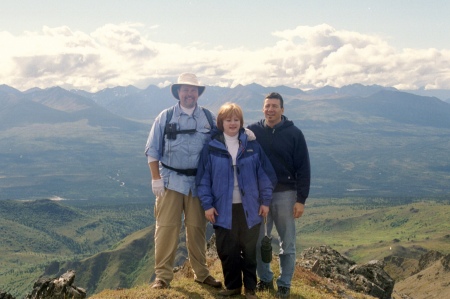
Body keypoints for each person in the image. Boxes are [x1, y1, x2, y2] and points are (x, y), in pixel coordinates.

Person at [144, 73, 222, 289]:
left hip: (198, 183)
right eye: (185, 89)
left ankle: (201, 273)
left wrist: (246, 134)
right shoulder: (165, 117)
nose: (190, 93)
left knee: (197, 229)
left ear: (198, 93)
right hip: (170, 181)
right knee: (166, 228)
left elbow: (227, 134)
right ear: (178, 92)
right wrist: (155, 179)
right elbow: (152, 150)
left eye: (193, 90)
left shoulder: (208, 117)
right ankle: (163, 277)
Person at [196, 103, 277, 299]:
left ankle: (250, 288)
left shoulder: (252, 145)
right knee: (227, 250)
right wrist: (207, 205)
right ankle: (232, 286)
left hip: (250, 208)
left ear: (241, 122)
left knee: (249, 250)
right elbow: (203, 180)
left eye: (236, 119)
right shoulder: (211, 147)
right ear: (221, 122)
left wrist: (265, 202)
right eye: (228, 119)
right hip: (223, 209)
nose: (232, 123)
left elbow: (266, 176)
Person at [248, 92, 311, 298]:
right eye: (267, 106)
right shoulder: (253, 132)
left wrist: (301, 200)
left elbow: (303, 167)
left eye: (275, 106)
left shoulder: (294, 133)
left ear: (282, 110)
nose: (270, 110)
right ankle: (265, 279)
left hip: (286, 194)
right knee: (259, 241)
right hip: (260, 196)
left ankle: (284, 283)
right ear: (262, 108)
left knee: (287, 242)